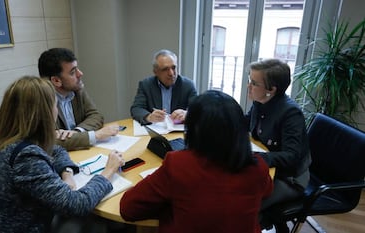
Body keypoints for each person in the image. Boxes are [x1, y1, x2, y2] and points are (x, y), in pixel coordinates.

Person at [0, 76, 125, 233]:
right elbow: (76, 205)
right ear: (43, 113)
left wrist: (66, 171)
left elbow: (56, 149)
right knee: (91, 222)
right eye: (55, 105)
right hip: (12, 226)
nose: (56, 110)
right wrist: (108, 171)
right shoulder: (25, 157)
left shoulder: (9, 139)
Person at [120, 90, 273, 233]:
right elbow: (265, 191)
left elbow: (128, 208)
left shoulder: (179, 164)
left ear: (194, 129)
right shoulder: (258, 167)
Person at [245, 59, 311, 232]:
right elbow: (245, 123)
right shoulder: (261, 102)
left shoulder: (290, 114)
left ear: (271, 90)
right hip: (268, 169)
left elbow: (291, 157)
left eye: (254, 83)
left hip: (289, 178)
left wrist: (255, 158)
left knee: (243, 204)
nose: (248, 86)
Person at [38, 48, 119, 151]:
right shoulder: (40, 101)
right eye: (72, 72)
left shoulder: (77, 90)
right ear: (56, 80)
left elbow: (96, 115)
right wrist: (95, 135)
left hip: (79, 152)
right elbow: (49, 141)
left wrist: (77, 132)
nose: (80, 74)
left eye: (77, 68)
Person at [130, 49, 198, 125]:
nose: (171, 73)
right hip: (155, 131)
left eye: (173, 67)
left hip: (178, 132)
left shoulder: (188, 85)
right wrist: (149, 117)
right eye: (165, 69)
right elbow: (136, 108)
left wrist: (187, 114)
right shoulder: (146, 85)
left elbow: (198, 110)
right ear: (156, 72)